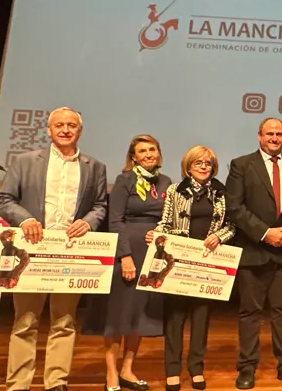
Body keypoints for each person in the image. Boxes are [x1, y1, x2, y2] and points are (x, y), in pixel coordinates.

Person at [0, 107, 108, 391]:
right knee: (25, 321)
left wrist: (88, 222)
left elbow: (100, 206)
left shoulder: (95, 166)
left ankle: (56, 381)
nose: (65, 130)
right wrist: (27, 219)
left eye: (71, 125)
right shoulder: (25, 161)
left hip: (71, 251)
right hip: (32, 251)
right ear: (49, 130)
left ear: (79, 131)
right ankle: (18, 384)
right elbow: (4, 199)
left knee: (65, 321)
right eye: (59, 125)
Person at [225, 118, 282, 387]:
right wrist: (265, 233)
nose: (275, 138)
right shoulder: (241, 165)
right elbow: (235, 208)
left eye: (279, 134)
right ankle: (247, 368)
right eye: (270, 133)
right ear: (259, 136)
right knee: (250, 313)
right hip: (253, 251)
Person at [149, 145, 236, 391]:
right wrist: (157, 234)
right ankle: (172, 370)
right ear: (189, 166)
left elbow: (232, 226)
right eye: (198, 163)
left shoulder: (222, 192)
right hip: (177, 263)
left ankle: (196, 368)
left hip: (208, 263)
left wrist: (219, 236)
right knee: (175, 319)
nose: (204, 167)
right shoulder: (176, 190)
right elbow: (165, 223)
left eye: (208, 163)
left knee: (201, 319)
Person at [101, 135, 171, 391]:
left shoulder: (166, 182)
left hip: (151, 254)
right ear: (134, 157)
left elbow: (168, 219)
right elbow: (115, 220)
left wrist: (161, 232)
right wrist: (125, 256)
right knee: (119, 315)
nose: (148, 154)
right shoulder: (124, 180)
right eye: (142, 151)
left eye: (152, 149)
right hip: (127, 252)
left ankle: (127, 370)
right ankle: (110, 373)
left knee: (137, 316)